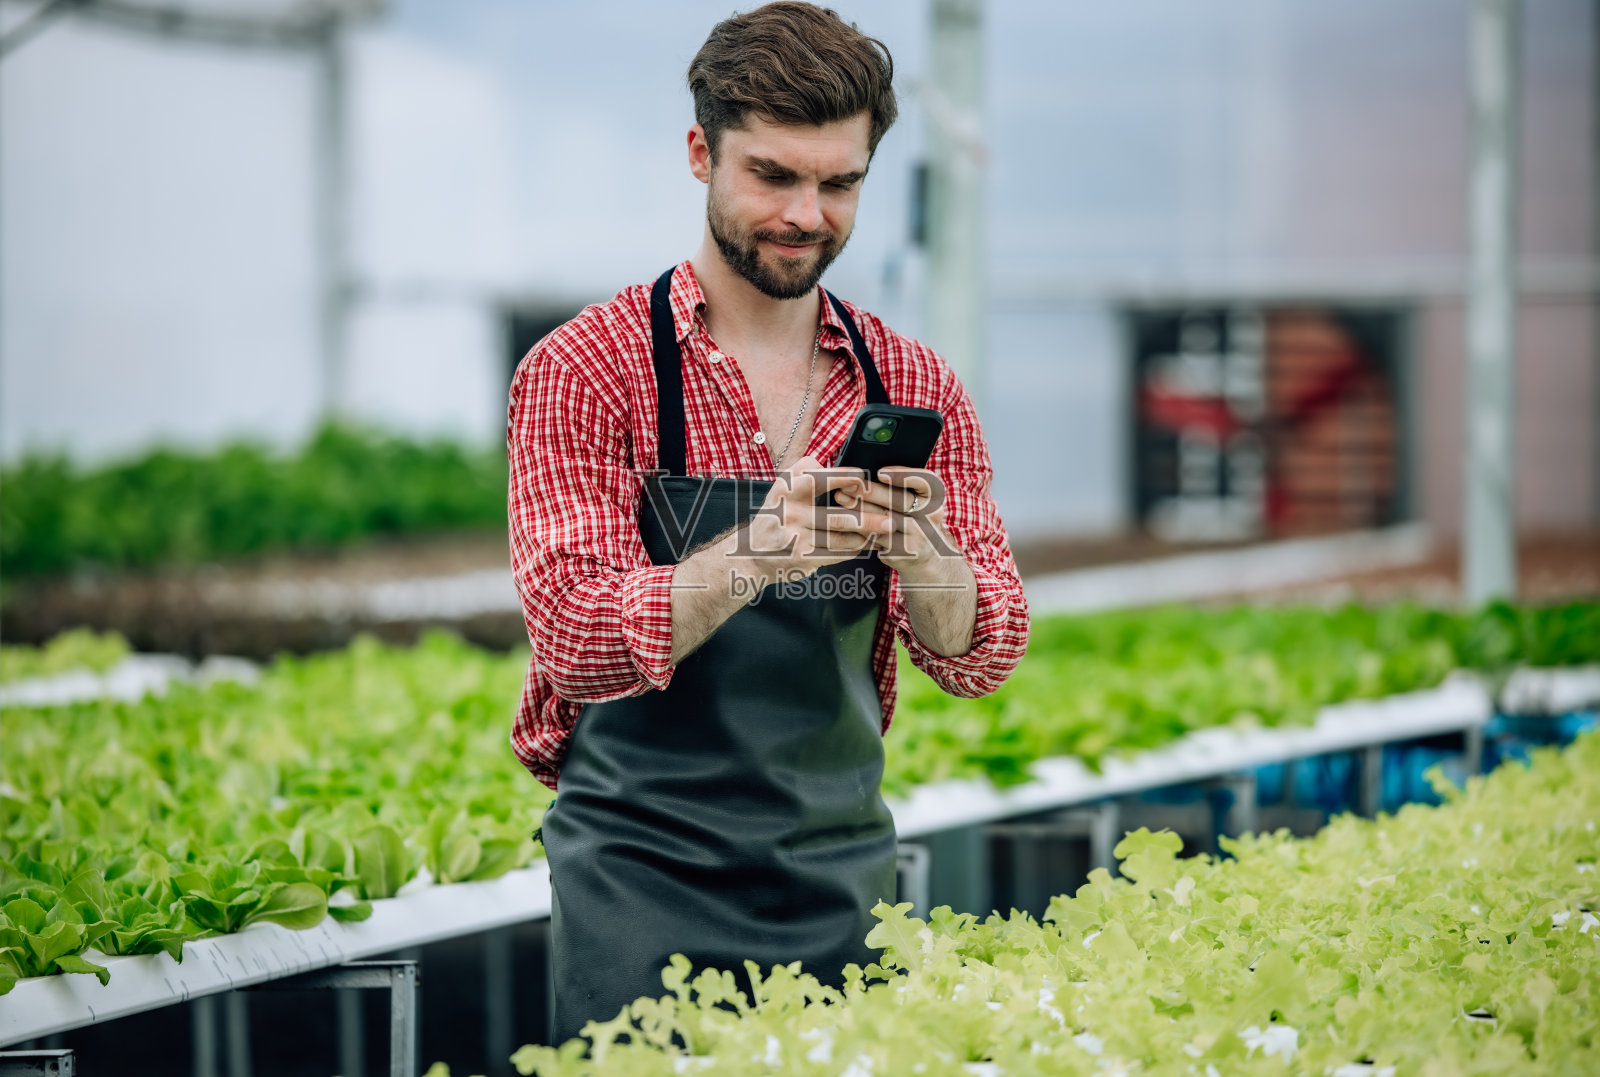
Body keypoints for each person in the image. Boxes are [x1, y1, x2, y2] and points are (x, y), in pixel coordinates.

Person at [506, 1, 1029, 1045]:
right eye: (774, 177)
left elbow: (982, 650)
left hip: (837, 874)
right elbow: (574, 638)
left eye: (840, 184)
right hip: (640, 884)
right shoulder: (588, 371)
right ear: (701, 154)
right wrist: (758, 550)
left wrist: (917, 545)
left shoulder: (912, 381)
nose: (807, 214)